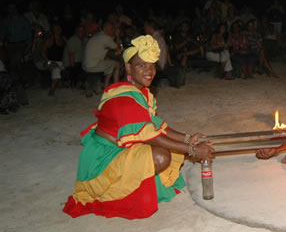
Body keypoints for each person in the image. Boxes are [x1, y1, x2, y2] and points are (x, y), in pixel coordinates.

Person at [63, 35, 215, 219]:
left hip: (119, 148)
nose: (149, 71)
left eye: (151, 66)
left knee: (169, 148)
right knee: (161, 156)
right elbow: (150, 136)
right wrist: (191, 149)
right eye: (141, 65)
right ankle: (120, 189)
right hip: (103, 159)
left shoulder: (139, 92)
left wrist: (187, 138)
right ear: (128, 68)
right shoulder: (125, 98)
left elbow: (156, 125)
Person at [83, 20, 120, 93]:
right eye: (112, 28)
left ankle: (106, 85)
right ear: (106, 29)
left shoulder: (97, 35)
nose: (114, 30)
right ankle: (116, 87)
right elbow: (117, 47)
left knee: (110, 62)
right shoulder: (105, 38)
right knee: (117, 64)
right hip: (93, 66)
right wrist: (118, 35)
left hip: (85, 65)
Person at [41, 23, 66, 95]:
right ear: (53, 30)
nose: (58, 30)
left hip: (61, 62)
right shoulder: (50, 40)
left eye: (59, 28)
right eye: (56, 29)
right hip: (50, 62)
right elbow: (42, 52)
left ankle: (60, 83)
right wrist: (49, 62)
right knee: (56, 69)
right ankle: (52, 89)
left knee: (61, 67)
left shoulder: (63, 38)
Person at [62, 23, 86, 89]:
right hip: (71, 64)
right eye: (80, 31)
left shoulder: (82, 39)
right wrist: (72, 71)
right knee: (84, 67)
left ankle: (79, 82)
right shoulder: (73, 40)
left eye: (83, 31)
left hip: (78, 62)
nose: (82, 32)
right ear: (76, 32)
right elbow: (71, 56)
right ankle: (76, 82)